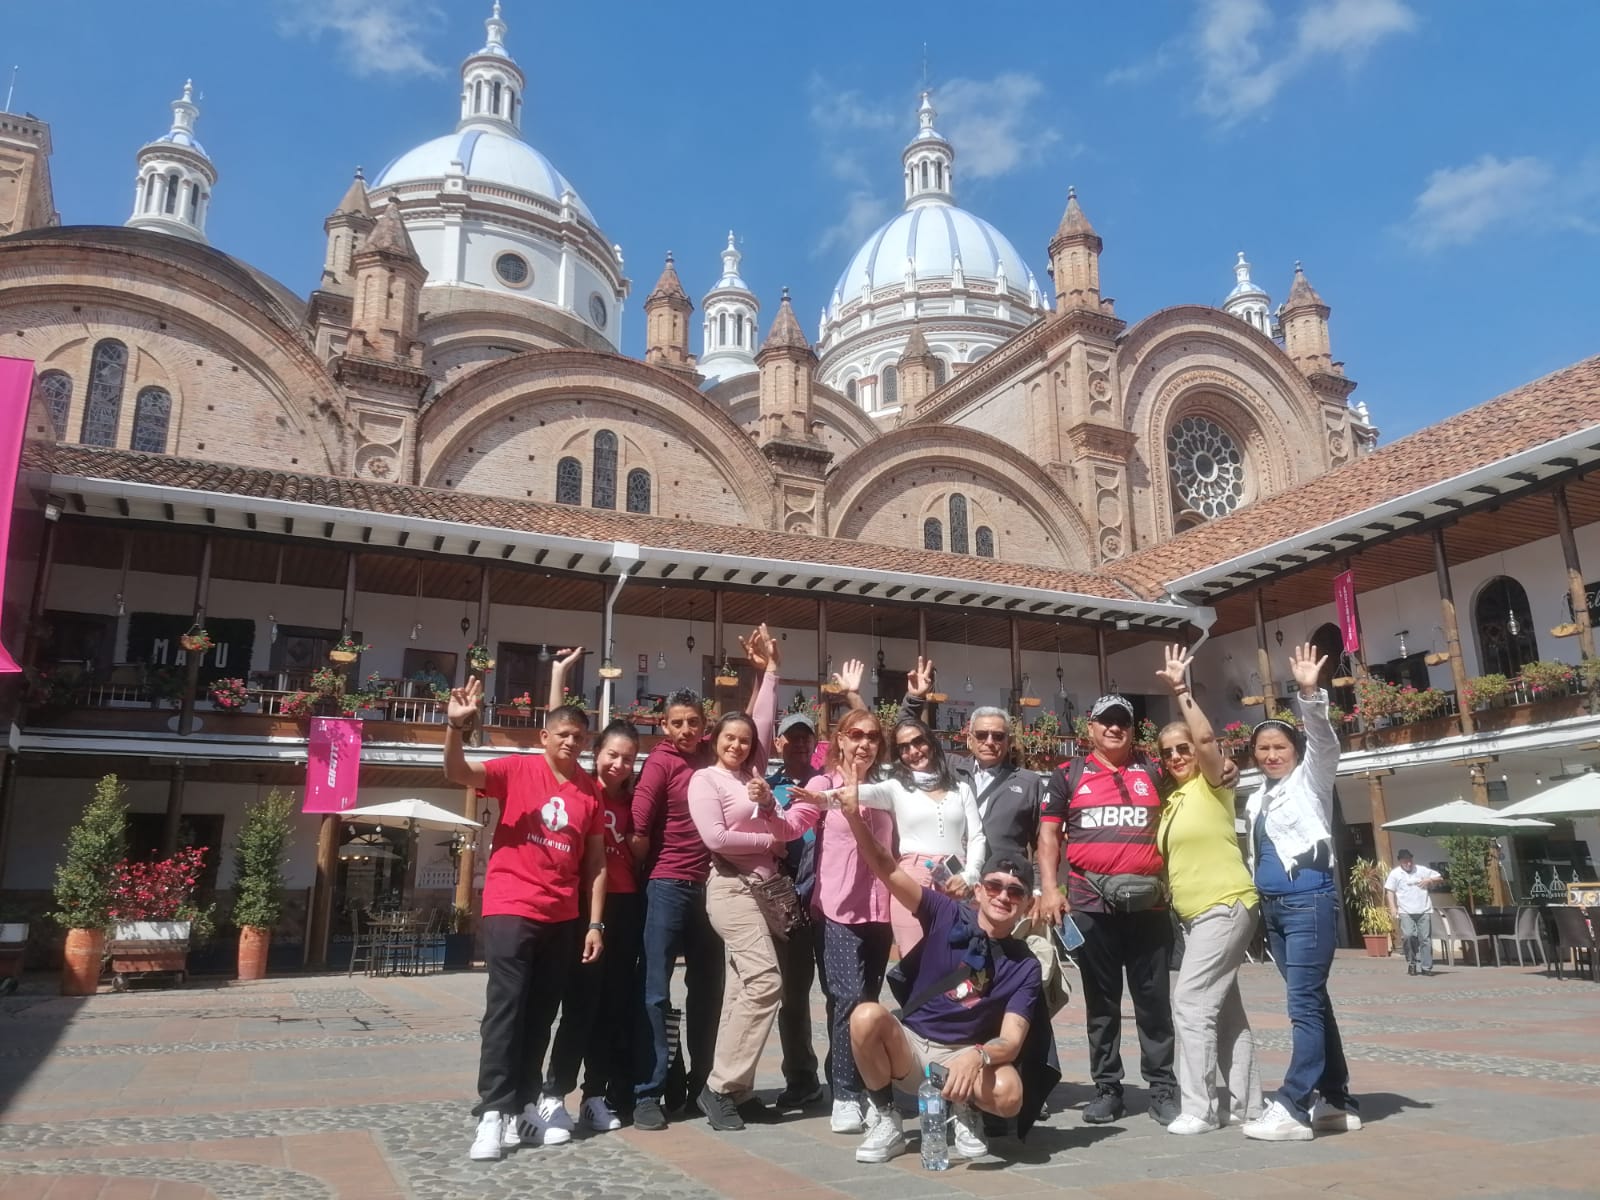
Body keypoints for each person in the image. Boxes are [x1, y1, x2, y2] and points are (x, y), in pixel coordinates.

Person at [814, 760, 1041, 1165]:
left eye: (1015, 891)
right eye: (994, 886)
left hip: (964, 1056)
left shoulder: (1025, 965)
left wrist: (978, 1056)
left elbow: (1011, 1040)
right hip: (913, 1047)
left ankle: (964, 1107)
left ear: (1025, 904)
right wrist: (853, 818)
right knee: (865, 1016)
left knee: (1009, 1094)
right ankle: (886, 1115)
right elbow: (886, 867)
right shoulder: (944, 913)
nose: (1003, 896)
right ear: (979, 889)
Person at [444, 677, 607, 1163]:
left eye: (579, 736)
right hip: (512, 906)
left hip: (563, 915)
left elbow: (596, 862)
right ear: (544, 737)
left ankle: (524, 1106)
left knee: (541, 1014)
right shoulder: (516, 769)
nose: (571, 742)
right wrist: (454, 729)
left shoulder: (589, 791)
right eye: (563, 734)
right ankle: (493, 1110)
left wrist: (595, 924)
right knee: (506, 1008)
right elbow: (457, 772)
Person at [631, 638, 773, 1131]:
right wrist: (648, 878)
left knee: (709, 992)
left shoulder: (714, 762)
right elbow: (638, 826)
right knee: (655, 990)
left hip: (709, 887)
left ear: (705, 726)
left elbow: (751, 726)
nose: (686, 731)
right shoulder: (660, 763)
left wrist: (765, 674)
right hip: (668, 885)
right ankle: (649, 1090)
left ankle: (703, 1085)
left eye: (694, 722)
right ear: (664, 726)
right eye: (678, 723)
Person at [689, 627, 820, 1130]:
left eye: (745, 741)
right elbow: (717, 838)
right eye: (730, 738)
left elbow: (761, 719)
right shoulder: (706, 780)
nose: (739, 745)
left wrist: (772, 671)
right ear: (715, 741)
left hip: (765, 891)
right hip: (731, 889)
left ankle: (737, 1090)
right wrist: (769, 840)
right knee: (767, 983)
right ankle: (720, 1086)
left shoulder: (754, 776)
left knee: (744, 988)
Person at [1036, 693, 1180, 1126]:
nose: (1114, 728)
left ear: (1133, 729)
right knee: (1102, 1003)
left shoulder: (1155, 771)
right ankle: (1108, 1088)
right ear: (1091, 728)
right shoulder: (1068, 774)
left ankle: (1162, 1087)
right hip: (1090, 904)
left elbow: (1199, 776)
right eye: (1106, 721)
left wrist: (1227, 770)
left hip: (1149, 906)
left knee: (1154, 1002)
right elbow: (1048, 837)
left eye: (1123, 722)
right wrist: (1050, 889)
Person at [1241, 643, 1361, 1142]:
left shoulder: (1311, 781)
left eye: (1280, 748)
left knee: (1304, 1006)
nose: (1271, 755)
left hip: (1307, 902)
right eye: (1263, 749)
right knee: (1316, 1002)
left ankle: (1292, 1105)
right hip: (1276, 910)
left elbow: (1325, 744)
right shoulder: (1257, 798)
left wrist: (1310, 694)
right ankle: (1336, 1099)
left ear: (1294, 751)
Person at [1152, 644, 1262, 1135]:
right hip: (1197, 918)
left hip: (1225, 905)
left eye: (1183, 748)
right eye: (1168, 752)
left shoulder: (1214, 783)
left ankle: (1199, 1107)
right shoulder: (1174, 800)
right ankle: (1249, 1105)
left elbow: (1205, 737)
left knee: (1190, 1002)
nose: (1178, 755)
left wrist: (1181, 691)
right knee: (1226, 1012)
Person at [543, 648, 643, 1135]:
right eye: (611, 755)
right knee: (580, 1002)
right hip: (586, 908)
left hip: (628, 907)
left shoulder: (638, 799)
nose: (618, 764)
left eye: (627, 758)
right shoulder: (581, 787)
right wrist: (559, 675)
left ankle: (595, 1094)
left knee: (613, 1004)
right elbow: (557, 731)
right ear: (596, 753)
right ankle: (553, 1092)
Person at [804, 703, 897, 1135]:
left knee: (868, 1003)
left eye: (872, 736)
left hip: (879, 909)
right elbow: (795, 821)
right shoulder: (823, 784)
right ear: (839, 739)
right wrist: (769, 808)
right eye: (855, 735)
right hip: (837, 908)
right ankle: (844, 1093)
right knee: (849, 997)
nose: (864, 743)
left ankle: (867, 1086)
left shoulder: (886, 788)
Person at [859, 717, 987, 956]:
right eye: (904, 747)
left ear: (931, 742)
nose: (913, 751)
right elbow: (856, 794)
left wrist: (970, 875)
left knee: (959, 962)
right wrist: (819, 796)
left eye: (918, 742)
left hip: (956, 879)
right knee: (916, 961)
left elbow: (977, 837)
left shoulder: (961, 789)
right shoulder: (895, 787)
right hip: (912, 878)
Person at [901, 657, 1047, 863]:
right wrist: (914, 699)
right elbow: (907, 736)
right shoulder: (950, 768)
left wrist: (1038, 881)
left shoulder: (1029, 782)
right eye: (981, 735)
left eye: (998, 736)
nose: (990, 742)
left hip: (1003, 880)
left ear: (1009, 741)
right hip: (953, 876)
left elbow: (1044, 841)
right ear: (970, 740)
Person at [767, 708, 825, 1110]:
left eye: (806, 737)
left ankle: (848, 1079)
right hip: (790, 901)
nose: (800, 743)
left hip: (831, 899)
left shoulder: (830, 786)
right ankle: (801, 1076)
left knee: (841, 993)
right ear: (778, 744)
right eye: (792, 737)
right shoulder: (769, 789)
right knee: (792, 995)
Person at [1384, 849, 1443, 976]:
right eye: (1405, 861)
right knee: (1408, 936)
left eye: (1410, 860)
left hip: (1424, 909)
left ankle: (1426, 967)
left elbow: (1439, 877)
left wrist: (1429, 880)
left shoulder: (1421, 870)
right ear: (1400, 861)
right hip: (1405, 911)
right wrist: (1393, 908)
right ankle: (1412, 963)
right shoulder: (1395, 874)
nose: (1409, 863)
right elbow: (1390, 891)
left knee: (1425, 939)